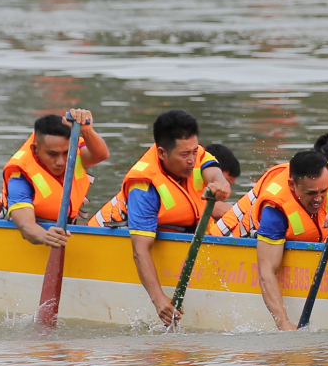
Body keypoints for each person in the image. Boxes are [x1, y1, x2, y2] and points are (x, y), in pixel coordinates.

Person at [89, 109, 232, 327]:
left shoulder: (196, 153)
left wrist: (221, 183)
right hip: (108, 239)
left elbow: (213, 170)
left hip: (176, 232)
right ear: (162, 153)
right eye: (185, 155)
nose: (192, 160)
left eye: (194, 151)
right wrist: (159, 300)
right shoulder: (144, 185)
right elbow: (140, 251)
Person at [224, 150, 328, 330]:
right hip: (238, 239)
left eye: (323, 192)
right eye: (311, 193)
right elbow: (267, 272)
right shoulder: (275, 209)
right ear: (292, 185)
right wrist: (283, 322)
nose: (318, 199)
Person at [0, 109, 110, 245]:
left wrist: (86, 131)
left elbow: (101, 155)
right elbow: (26, 226)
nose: (61, 162)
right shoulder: (20, 177)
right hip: (34, 237)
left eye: (65, 153)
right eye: (52, 154)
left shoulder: (74, 154)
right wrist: (46, 237)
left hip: (64, 231)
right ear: (35, 150)